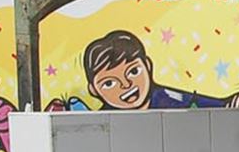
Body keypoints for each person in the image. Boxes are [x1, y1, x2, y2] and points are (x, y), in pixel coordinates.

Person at [82, 31, 227, 111]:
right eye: (109, 83)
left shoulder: (169, 97)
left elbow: (200, 103)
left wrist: (231, 105)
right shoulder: (100, 119)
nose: (126, 85)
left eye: (133, 72)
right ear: (93, 90)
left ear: (147, 66)